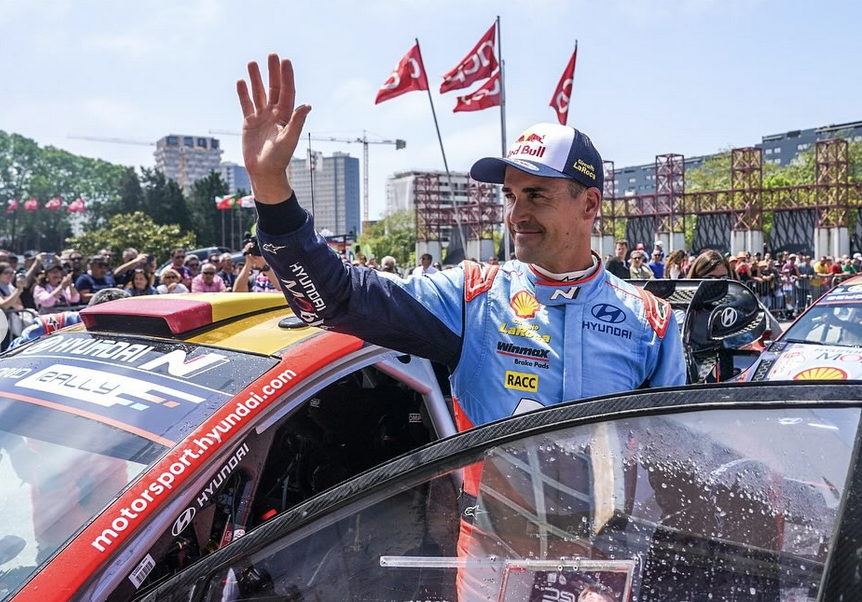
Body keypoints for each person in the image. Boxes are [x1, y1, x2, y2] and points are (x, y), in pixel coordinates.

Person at [238, 53, 684, 421]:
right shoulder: (474, 298)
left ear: (589, 205)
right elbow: (337, 299)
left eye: (536, 195)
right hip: (490, 511)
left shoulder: (652, 322)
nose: (516, 214)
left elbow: (672, 463)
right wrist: (271, 187)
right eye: (510, 196)